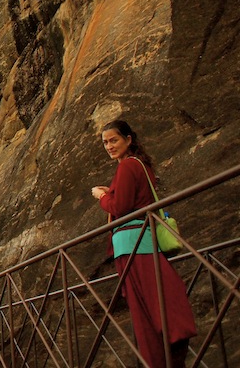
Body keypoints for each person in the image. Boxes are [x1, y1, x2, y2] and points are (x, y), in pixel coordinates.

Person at [91, 120, 196, 368]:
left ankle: (158, 359)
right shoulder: (140, 165)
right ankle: (167, 355)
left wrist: (103, 197)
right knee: (157, 302)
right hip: (143, 242)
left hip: (133, 246)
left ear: (128, 139)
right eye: (105, 142)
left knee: (145, 309)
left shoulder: (127, 166)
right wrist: (113, 192)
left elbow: (121, 208)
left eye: (113, 140)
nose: (109, 146)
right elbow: (135, 199)